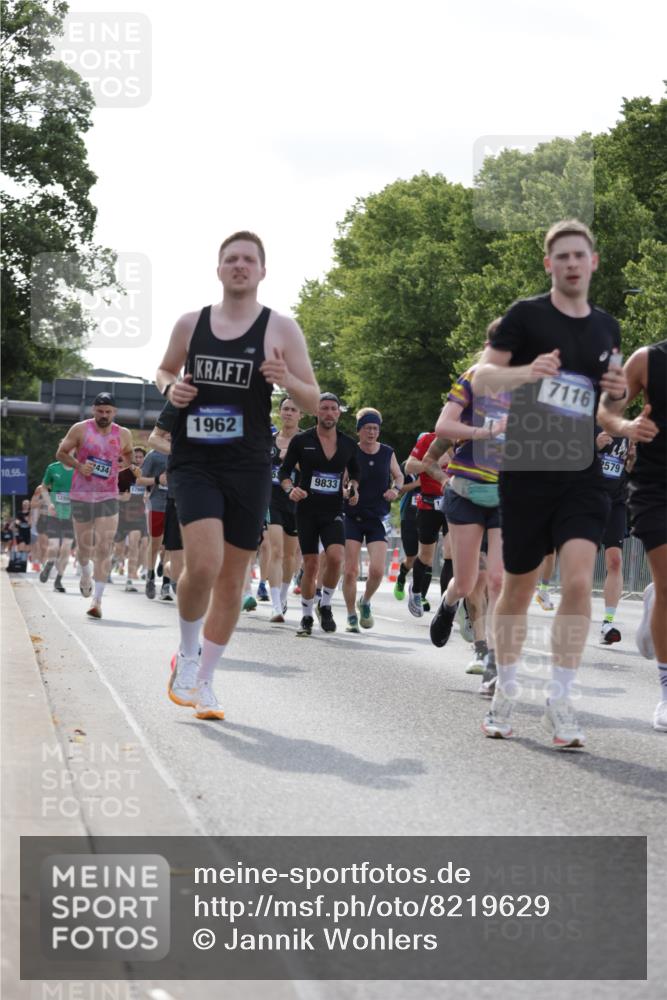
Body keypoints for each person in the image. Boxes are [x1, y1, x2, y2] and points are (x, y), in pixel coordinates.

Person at [471, 218, 627, 748]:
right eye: (562, 256)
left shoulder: (607, 328)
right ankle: (506, 688)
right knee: (518, 586)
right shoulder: (526, 316)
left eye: (579, 255)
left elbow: (608, 406)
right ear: (549, 264)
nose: (571, 263)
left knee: (578, 580)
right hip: (527, 470)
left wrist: (618, 394)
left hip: (581, 473)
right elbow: (482, 377)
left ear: (593, 262)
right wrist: (526, 373)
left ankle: (561, 699)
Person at [156, 231, 319, 719]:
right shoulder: (191, 324)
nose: (240, 265)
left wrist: (286, 380)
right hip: (195, 460)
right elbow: (164, 371)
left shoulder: (280, 329)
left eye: (249, 259)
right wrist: (171, 390)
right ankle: (187, 654)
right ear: (219, 269)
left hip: (248, 464)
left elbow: (314, 400)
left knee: (232, 580)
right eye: (231, 259)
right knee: (203, 564)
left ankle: (205, 681)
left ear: (262, 271)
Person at [429, 337, 509, 700]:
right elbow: (443, 426)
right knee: (464, 583)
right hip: (465, 492)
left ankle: (493, 667)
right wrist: (483, 432)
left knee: (497, 581)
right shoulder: (473, 378)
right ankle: (448, 605)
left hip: (505, 496)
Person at [598, 338, 666, 731]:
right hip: (656, 487)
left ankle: (657, 600)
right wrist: (626, 426)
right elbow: (607, 410)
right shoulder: (648, 360)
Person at [278, 392, 360, 636]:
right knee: (311, 565)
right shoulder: (302, 440)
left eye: (334, 408)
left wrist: (353, 488)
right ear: (316, 412)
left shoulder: (348, 444)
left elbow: (355, 473)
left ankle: (325, 604)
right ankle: (306, 616)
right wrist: (290, 489)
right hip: (306, 510)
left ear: (339, 413)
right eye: (324, 408)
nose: (329, 413)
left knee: (336, 557)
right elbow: (284, 473)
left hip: (333, 510)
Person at [56, 392, 134, 618]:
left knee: (104, 547)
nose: (104, 415)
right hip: (81, 495)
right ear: (93, 410)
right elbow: (61, 453)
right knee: (83, 548)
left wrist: (122, 466)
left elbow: (128, 454)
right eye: (100, 411)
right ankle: (85, 573)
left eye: (108, 412)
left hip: (108, 496)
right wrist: (79, 466)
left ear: (114, 412)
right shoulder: (80, 429)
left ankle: (97, 601)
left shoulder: (124, 433)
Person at [342, 408, 403, 631]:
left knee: (377, 570)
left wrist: (395, 489)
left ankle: (365, 601)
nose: (371, 432)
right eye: (367, 428)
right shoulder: (350, 451)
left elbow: (399, 475)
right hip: (352, 517)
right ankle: (351, 615)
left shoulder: (387, 452)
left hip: (377, 517)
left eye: (375, 428)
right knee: (350, 570)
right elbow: (343, 482)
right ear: (359, 430)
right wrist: (347, 493)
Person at [404, 432, 451, 616]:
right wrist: (431, 464)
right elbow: (409, 466)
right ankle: (416, 590)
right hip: (429, 504)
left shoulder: (468, 441)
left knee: (451, 555)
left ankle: (445, 606)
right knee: (426, 556)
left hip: (454, 503)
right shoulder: (429, 439)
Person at [595, 428, 634, 644]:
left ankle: (607, 623)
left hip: (616, 503)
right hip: (587, 500)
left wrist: (632, 460)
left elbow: (629, 471)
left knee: (615, 561)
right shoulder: (588, 423)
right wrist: (594, 447)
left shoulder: (628, 431)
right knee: (581, 563)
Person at [267, 396, 302, 622]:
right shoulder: (269, 440)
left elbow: (314, 469)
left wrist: (292, 460)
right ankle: (275, 606)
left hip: (297, 501)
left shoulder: (306, 441)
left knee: (290, 555)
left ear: (300, 415)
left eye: (293, 410)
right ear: (280, 412)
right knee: (276, 551)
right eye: (285, 409)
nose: (288, 413)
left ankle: (283, 595)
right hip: (272, 499)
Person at [136, 447, 170, 599]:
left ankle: (166, 584)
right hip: (156, 505)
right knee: (156, 543)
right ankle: (150, 577)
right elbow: (139, 480)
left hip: (176, 505)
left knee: (171, 545)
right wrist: (157, 480)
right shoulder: (154, 455)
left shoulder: (182, 451)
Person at [115, 446, 149, 594]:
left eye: (141, 457)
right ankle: (116, 560)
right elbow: (115, 494)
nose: (138, 459)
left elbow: (152, 488)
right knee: (119, 548)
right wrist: (122, 496)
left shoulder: (146, 473)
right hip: (122, 514)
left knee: (135, 543)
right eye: (136, 457)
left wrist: (148, 494)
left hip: (138, 514)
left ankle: (129, 579)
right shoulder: (123, 473)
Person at [39, 459, 75, 592]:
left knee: (66, 548)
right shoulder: (53, 468)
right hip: (54, 514)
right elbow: (43, 487)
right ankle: (49, 564)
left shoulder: (79, 469)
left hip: (71, 515)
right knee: (54, 547)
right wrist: (49, 503)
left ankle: (59, 579)